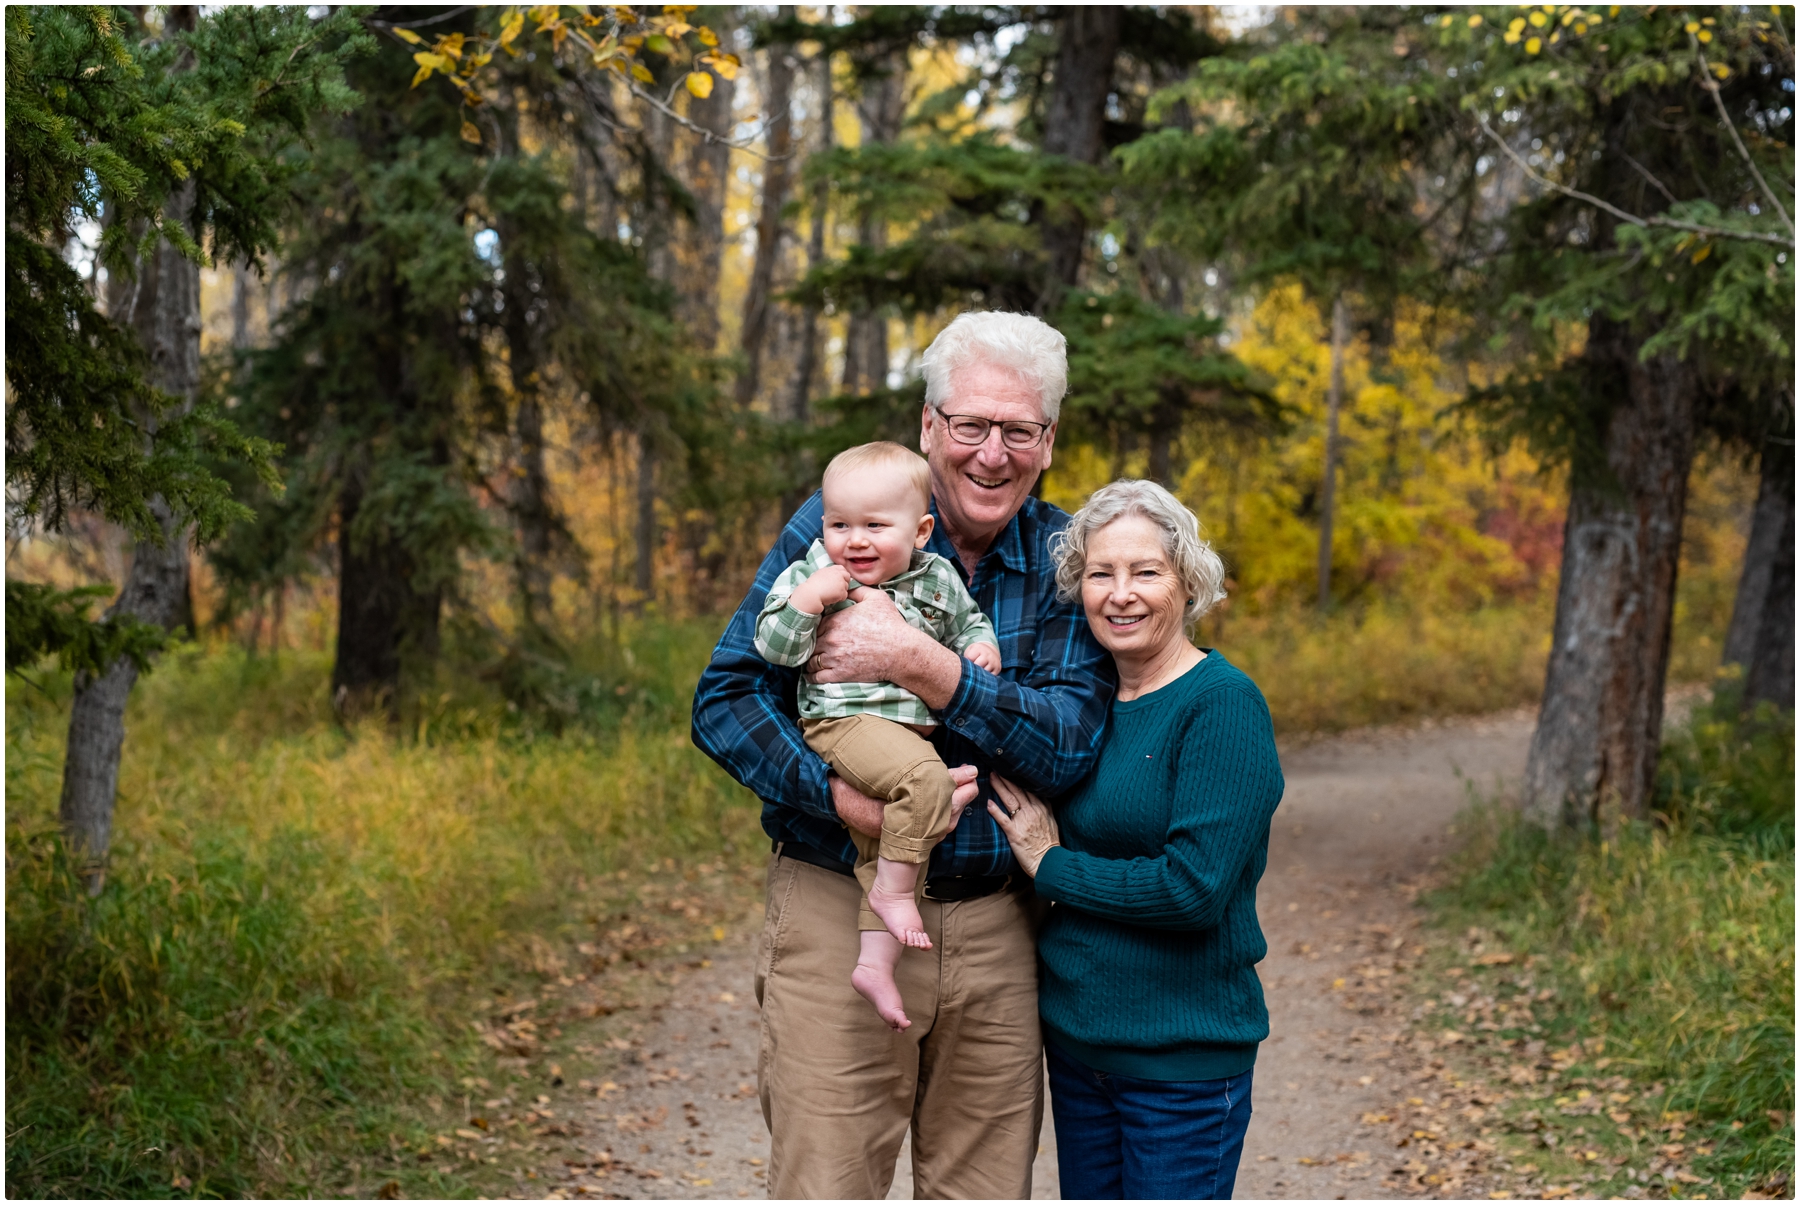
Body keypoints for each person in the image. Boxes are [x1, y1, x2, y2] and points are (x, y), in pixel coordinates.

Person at [692, 311, 1115, 1199]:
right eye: (970, 425)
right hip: (836, 898)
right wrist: (843, 801)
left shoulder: (1070, 557)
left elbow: (1073, 744)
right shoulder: (840, 522)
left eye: (1019, 431)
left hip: (998, 929)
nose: (992, 454)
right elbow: (727, 701)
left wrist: (928, 667)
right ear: (929, 426)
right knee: (828, 1186)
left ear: (1049, 441)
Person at [988, 478, 1285, 1201]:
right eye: (1101, 573)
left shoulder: (1221, 705)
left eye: (1145, 571)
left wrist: (1051, 865)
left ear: (1186, 582)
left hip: (1180, 1067)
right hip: (1081, 1049)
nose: (1121, 593)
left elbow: (1193, 890)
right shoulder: (1088, 704)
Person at [753, 440, 1003, 1030]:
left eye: (874, 526)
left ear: (919, 531)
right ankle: (892, 899)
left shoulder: (937, 576)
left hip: (904, 732)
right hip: (842, 723)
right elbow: (773, 649)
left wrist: (979, 645)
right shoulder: (813, 573)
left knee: (882, 852)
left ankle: (874, 964)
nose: (855, 540)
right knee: (925, 783)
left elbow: (968, 619)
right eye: (840, 524)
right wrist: (807, 604)